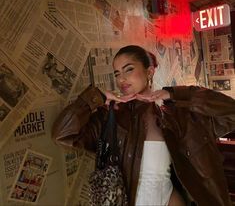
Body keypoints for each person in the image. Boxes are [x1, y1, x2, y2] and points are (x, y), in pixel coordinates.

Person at [52, 45, 235, 206]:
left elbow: (230, 112)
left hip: (170, 199)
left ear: (149, 72)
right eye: (117, 73)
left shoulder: (180, 115)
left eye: (128, 69)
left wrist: (175, 95)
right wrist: (95, 97)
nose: (121, 79)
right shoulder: (110, 116)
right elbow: (62, 135)